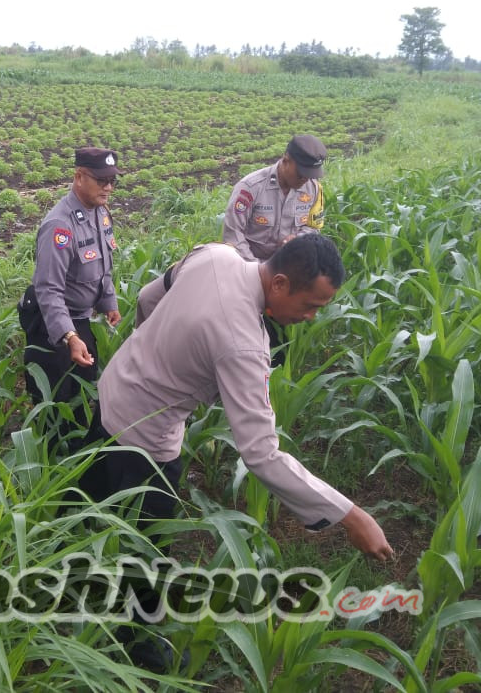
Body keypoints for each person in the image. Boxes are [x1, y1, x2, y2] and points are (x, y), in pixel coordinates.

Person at [78, 234, 393, 669]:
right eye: (311, 305)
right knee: (147, 548)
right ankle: (140, 645)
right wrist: (350, 514)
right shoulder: (244, 344)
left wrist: (152, 354)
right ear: (279, 283)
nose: (310, 317)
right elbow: (261, 454)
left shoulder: (216, 255)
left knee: (92, 499)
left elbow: (151, 298)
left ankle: (76, 562)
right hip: (145, 442)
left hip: (112, 389)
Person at [18, 147, 122, 453]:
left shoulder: (100, 212)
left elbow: (102, 263)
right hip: (53, 321)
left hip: (80, 317)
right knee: (55, 397)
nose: (109, 187)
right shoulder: (59, 226)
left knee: (83, 389)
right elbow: (49, 289)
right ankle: (50, 461)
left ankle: (77, 454)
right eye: (101, 180)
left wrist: (108, 302)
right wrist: (69, 336)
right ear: (79, 177)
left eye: (113, 180)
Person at [222, 134, 328, 365]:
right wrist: (259, 273)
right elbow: (233, 236)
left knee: (280, 342)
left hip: (285, 279)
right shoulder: (250, 188)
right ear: (286, 160)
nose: (305, 180)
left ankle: (277, 379)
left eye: (310, 175)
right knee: (246, 341)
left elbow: (314, 228)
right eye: (301, 173)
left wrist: (298, 240)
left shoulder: (313, 189)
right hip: (247, 274)